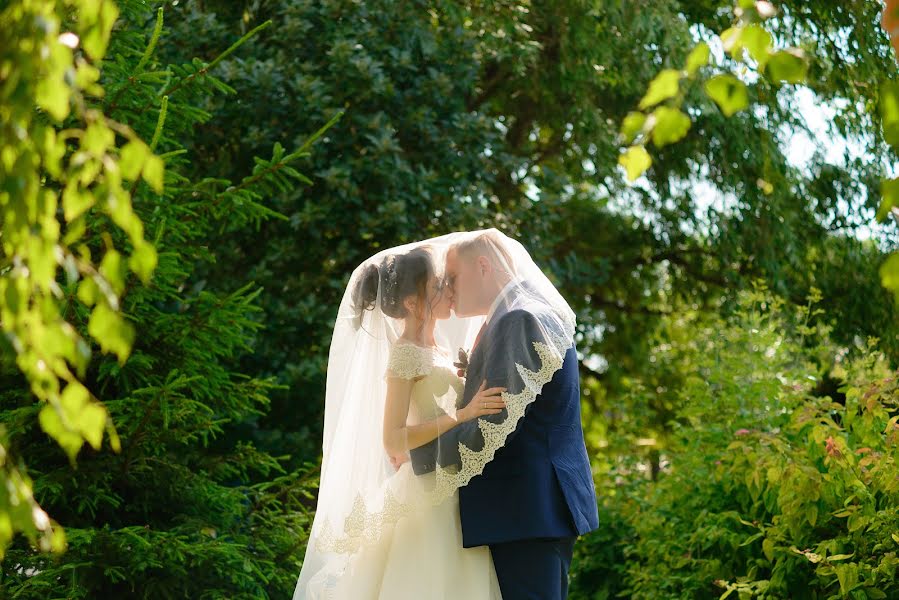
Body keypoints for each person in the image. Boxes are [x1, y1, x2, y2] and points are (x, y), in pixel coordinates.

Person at [294, 229, 598, 600]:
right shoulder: (511, 314)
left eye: (452, 279)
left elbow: (496, 424)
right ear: (411, 301)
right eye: (441, 284)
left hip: (524, 509)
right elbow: (427, 426)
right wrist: (453, 418)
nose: (449, 291)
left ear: (483, 267)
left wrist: (417, 455)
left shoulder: (516, 317)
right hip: (504, 509)